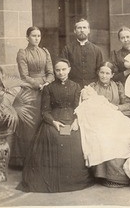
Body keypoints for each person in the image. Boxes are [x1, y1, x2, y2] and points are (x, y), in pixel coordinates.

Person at [16, 59, 94, 192]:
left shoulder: (76, 86)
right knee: (53, 136)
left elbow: (78, 107)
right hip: (54, 120)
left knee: (75, 138)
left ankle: (72, 180)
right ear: (54, 72)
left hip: (72, 119)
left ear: (69, 69)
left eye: (64, 69)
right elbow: (45, 111)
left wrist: (76, 121)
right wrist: (54, 122)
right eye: (58, 70)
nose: (61, 72)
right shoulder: (48, 88)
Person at [75, 86, 130, 188]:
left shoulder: (103, 97)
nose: (87, 95)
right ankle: (109, 177)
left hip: (110, 119)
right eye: (85, 95)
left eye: (107, 73)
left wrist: (114, 108)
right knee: (103, 137)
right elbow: (85, 118)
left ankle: (125, 176)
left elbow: (113, 109)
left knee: (124, 131)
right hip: (96, 124)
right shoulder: (83, 105)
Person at [10, 26, 54, 167]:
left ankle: (44, 159)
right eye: (33, 35)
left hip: (45, 89)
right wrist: (37, 85)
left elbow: (51, 72)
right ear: (27, 37)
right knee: (30, 126)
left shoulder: (45, 52)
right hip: (30, 90)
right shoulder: (22, 53)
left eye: (38, 36)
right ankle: (26, 160)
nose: (36, 38)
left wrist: (47, 83)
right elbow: (24, 75)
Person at [59, 18, 103, 88]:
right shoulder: (67, 49)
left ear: (89, 30)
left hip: (92, 88)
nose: (82, 30)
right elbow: (62, 69)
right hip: (72, 88)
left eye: (84, 28)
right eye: (79, 28)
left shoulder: (97, 50)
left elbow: (100, 71)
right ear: (75, 31)